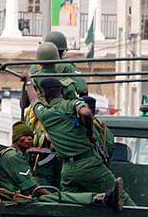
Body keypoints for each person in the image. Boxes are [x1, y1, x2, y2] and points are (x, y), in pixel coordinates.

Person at [27, 77, 134, 205]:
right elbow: (86, 113)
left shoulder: (44, 114)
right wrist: (89, 133)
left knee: (69, 203)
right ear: (61, 90)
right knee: (121, 197)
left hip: (68, 171)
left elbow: (33, 100)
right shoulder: (72, 104)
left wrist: (28, 82)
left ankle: (94, 199)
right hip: (89, 164)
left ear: (45, 93)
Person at [0, 121, 124, 211]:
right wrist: (52, 195)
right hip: (19, 199)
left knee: (61, 195)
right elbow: (32, 187)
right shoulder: (13, 156)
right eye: (24, 137)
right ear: (16, 139)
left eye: (30, 136)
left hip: (22, 196)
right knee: (60, 197)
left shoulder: (17, 154)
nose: (29, 139)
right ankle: (99, 198)